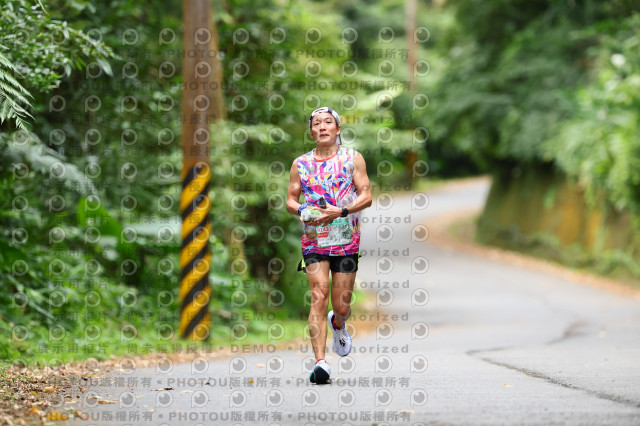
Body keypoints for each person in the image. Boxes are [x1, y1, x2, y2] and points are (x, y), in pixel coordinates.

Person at [286, 106, 372, 384]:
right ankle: (320, 363)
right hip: (314, 240)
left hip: (346, 241)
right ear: (311, 132)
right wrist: (302, 210)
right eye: (317, 124)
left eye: (327, 122)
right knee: (318, 296)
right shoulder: (300, 164)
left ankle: (339, 322)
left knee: (342, 306)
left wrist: (342, 211)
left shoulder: (353, 158)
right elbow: (290, 200)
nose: (322, 127)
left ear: (337, 129)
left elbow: (367, 196)